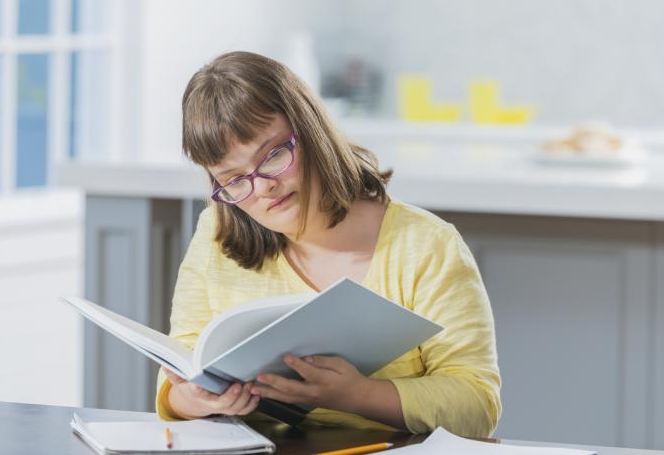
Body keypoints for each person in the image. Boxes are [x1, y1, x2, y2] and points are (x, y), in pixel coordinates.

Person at [156, 51, 501, 437]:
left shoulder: (426, 245)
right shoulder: (216, 233)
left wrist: (359, 395)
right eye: (234, 180)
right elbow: (179, 371)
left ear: (310, 131)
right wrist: (192, 400)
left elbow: (477, 404)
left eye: (273, 156)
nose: (264, 187)